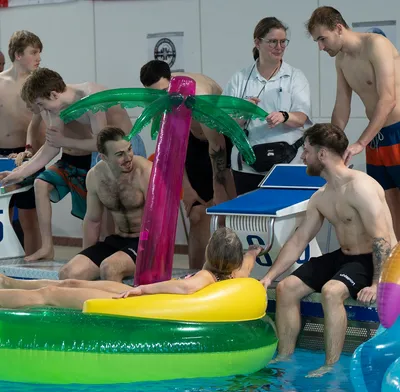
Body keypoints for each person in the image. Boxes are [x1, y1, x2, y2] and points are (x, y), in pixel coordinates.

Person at [260, 123, 396, 377]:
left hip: (374, 259)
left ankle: (330, 365)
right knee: (285, 288)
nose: (302, 156)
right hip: (345, 256)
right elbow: (299, 239)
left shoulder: (361, 187)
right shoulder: (322, 196)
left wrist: (377, 284)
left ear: (321, 154)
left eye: (306, 150)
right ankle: (284, 357)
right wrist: (269, 277)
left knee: (331, 291)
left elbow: (382, 239)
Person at [0, 68, 145, 262]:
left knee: (121, 206)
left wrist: (65, 141)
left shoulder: (91, 98)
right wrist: (19, 173)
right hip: (101, 151)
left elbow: (102, 144)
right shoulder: (55, 107)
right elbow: (52, 147)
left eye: (42, 105)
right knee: (96, 208)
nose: (42, 111)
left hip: (125, 145)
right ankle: (83, 255)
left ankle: (131, 254)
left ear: (53, 94)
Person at [306, 6, 400, 241]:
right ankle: (395, 260)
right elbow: (342, 105)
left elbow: (388, 99)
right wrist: (327, 145)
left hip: (397, 132)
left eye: (322, 39)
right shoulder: (341, 60)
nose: (320, 47)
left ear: (338, 28)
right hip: (377, 139)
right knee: (388, 206)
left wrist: (360, 142)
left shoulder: (376, 45)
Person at [0, 227, 263, 309]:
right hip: (144, 298)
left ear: (209, 252)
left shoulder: (206, 275)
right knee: (71, 283)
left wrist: (142, 290)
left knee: (51, 295)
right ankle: (10, 283)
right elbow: (249, 260)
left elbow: (185, 287)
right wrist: (254, 251)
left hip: (139, 302)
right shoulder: (236, 273)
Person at [140, 60, 236, 270]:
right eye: (156, 95)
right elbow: (173, 147)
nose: (162, 98)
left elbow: (217, 146)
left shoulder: (198, 96)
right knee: (196, 214)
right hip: (191, 142)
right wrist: (187, 189)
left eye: (165, 91)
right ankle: (195, 274)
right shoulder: (159, 99)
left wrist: (218, 188)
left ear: (172, 82)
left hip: (220, 140)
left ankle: (227, 271)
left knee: (224, 211)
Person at [223, 17, 312, 195]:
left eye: (283, 42)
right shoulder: (239, 79)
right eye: (272, 42)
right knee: (249, 212)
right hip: (247, 167)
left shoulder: (295, 77)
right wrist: (244, 113)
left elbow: (301, 117)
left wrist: (284, 116)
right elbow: (226, 124)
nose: (279, 47)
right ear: (257, 43)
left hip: (288, 163)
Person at [55, 126, 151, 282]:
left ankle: (114, 299)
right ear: (104, 157)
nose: (128, 158)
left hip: (146, 241)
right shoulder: (95, 177)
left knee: (110, 268)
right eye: (120, 154)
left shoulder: (146, 171)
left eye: (129, 149)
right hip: (119, 240)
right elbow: (93, 220)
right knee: (68, 273)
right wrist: (87, 256)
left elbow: (159, 221)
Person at [0, 31, 46, 256]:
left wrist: (36, 154)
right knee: (3, 215)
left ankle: (33, 263)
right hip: (2, 157)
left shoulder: (40, 85)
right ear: (18, 55)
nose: (39, 57)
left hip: (30, 157)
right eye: (33, 52)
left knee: (30, 217)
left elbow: (46, 124)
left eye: (39, 52)